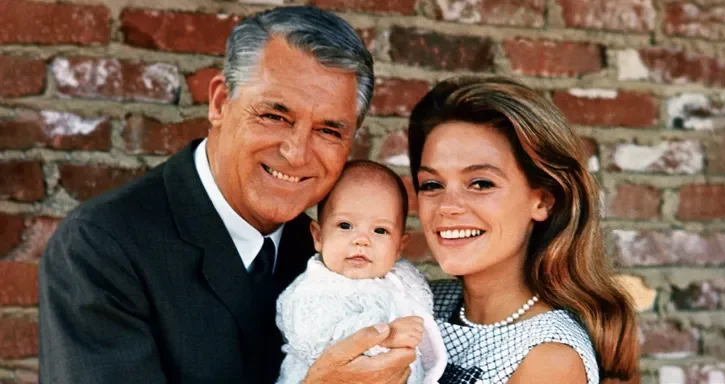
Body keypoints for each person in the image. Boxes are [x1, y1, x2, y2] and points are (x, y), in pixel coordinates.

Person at [39, 6, 416, 383]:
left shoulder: (335, 254)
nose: (297, 153)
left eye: (329, 131)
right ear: (220, 102)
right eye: (274, 115)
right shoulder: (101, 247)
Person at [407, 76, 639, 384]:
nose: (448, 206)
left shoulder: (548, 359)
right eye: (432, 185)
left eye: (480, 183)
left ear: (542, 201)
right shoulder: (421, 302)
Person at [275, 160, 447, 384]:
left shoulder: (402, 277)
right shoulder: (312, 291)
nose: (362, 240)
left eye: (380, 230)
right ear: (318, 236)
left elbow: (419, 308)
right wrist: (387, 336)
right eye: (345, 225)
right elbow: (319, 344)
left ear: (399, 247)